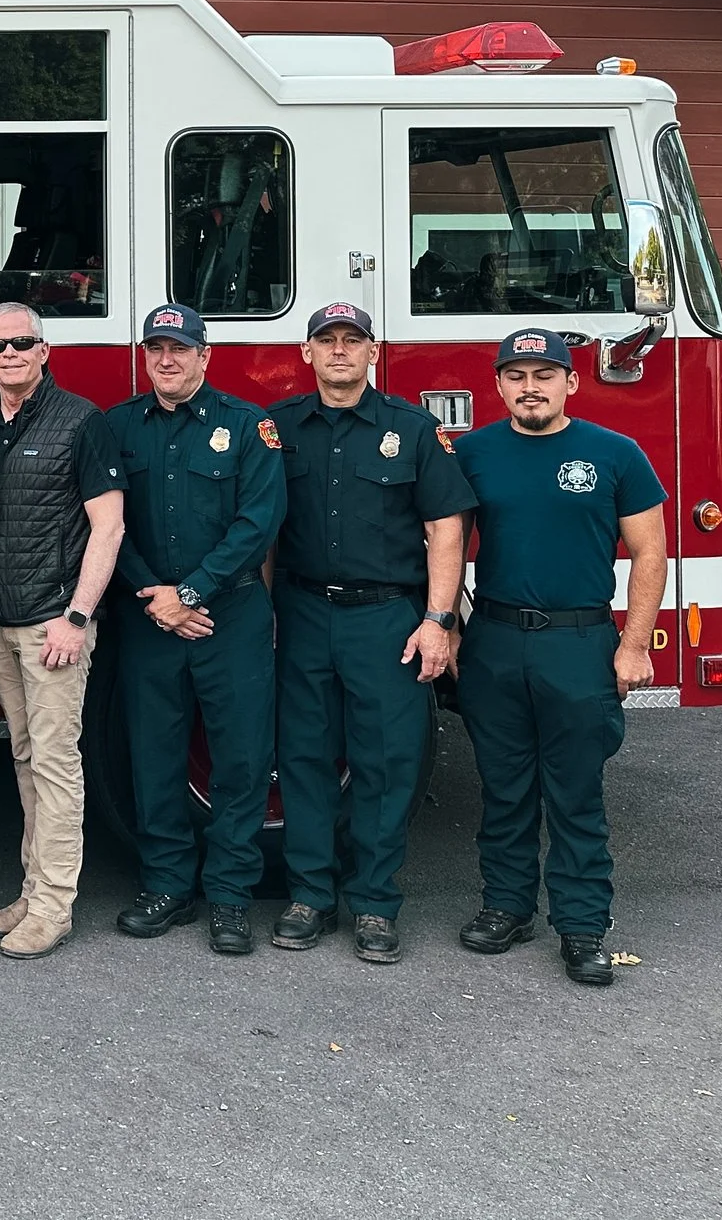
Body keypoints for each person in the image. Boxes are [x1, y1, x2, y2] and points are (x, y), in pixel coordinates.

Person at [451, 328, 668, 987]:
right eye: (516, 375)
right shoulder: (473, 453)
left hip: (580, 643)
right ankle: (508, 906)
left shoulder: (615, 453)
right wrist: (451, 629)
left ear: (571, 383)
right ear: (499, 386)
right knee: (505, 789)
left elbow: (650, 552)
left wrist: (633, 644)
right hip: (493, 638)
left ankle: (581, 926)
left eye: (544, 374)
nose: (530, 387)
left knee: (576, 795)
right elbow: (445, 543)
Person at [265, 302, 475, 964]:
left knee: (386, 762)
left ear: (371, 351)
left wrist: (439, 620)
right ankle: (309, 895)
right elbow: (266, 526)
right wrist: (267, 610)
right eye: (325, 340)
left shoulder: (411, 429)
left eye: (351, 340)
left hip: (386, 617)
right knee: (303, 757)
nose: (338, 351)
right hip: (302, 611)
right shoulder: (281, 428)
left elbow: (448, 526)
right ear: (306, 352)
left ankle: (376, 903)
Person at [104, 303, 286, 956]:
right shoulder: (119, 426)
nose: (167, 359)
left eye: (179, 348)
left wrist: (190, 592)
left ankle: (232, 897)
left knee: (240, 759)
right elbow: (105, 525)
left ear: (204, 356)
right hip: (149, 614)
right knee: (154, 756)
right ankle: (166, 886)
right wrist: (156, 596)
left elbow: (257, 522)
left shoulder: (247, 426)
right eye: (156, 348)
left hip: (229, 613)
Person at [0, 302, 126, 959]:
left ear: (44, 349)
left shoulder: (81, 421)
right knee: (26, 758)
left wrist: (77, 616)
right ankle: (33, 890)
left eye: (22, 343)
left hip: (53, 624)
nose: (10, 354)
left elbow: (107, 528)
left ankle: (54, 905)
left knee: (56, 763)